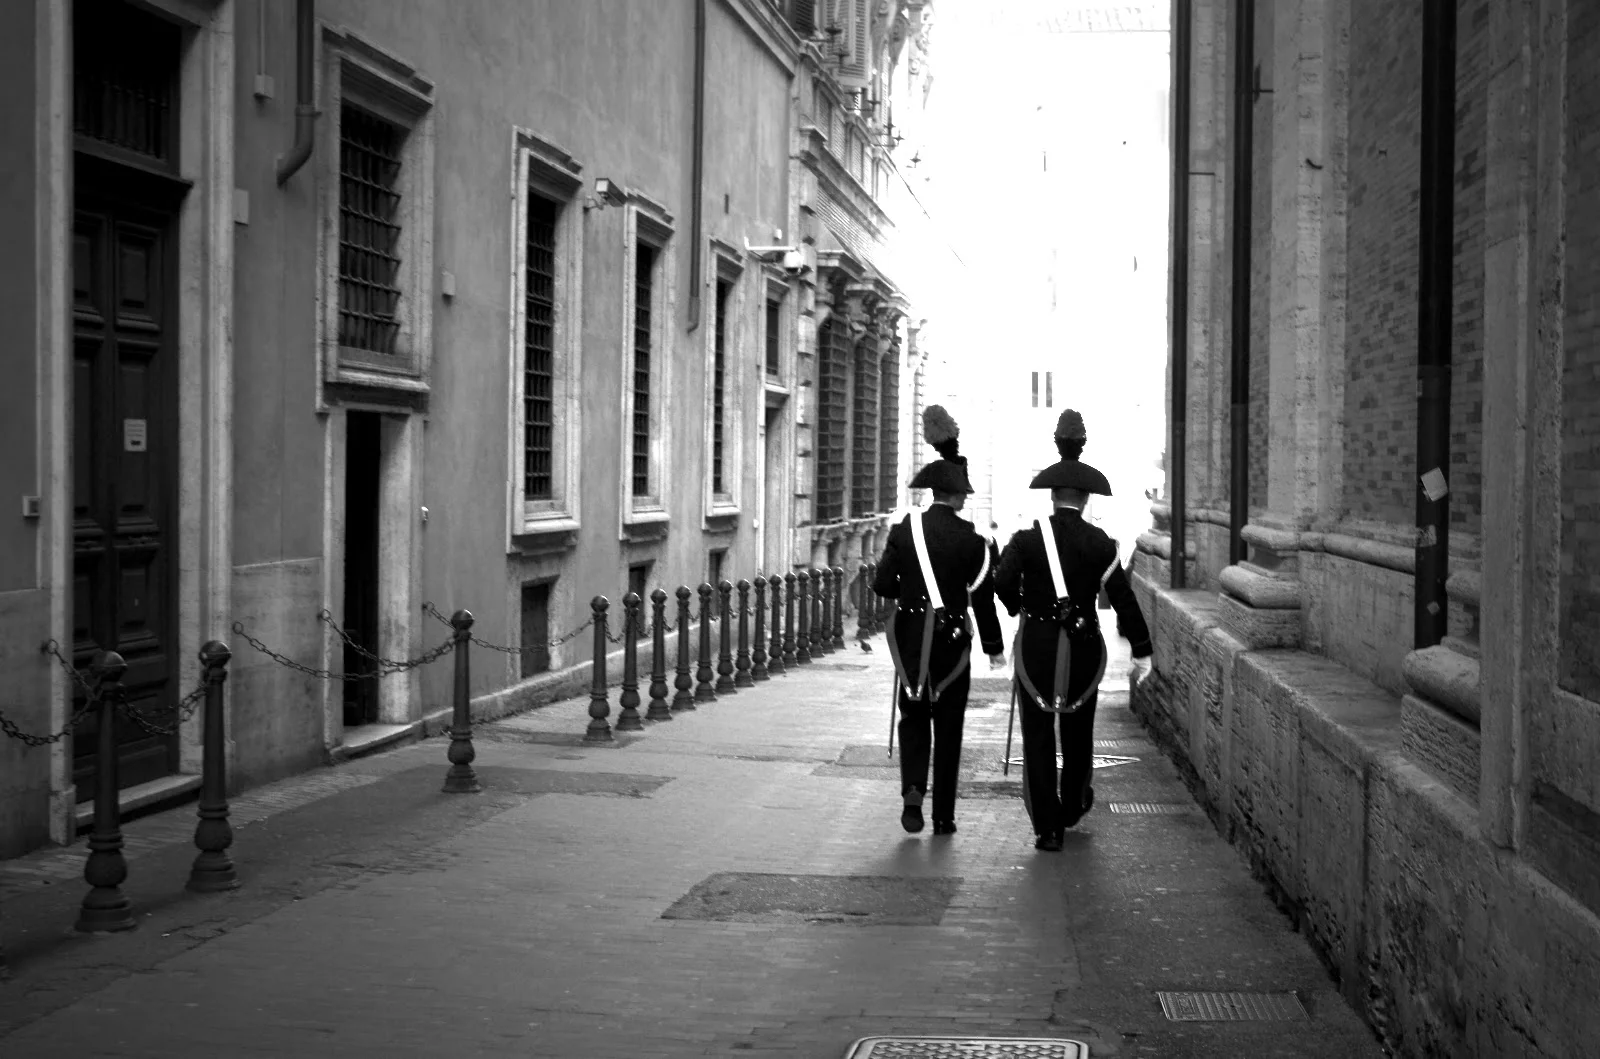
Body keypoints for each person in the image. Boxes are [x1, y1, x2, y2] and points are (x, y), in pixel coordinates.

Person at [995, 409, 1153, 852]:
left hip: (1036, 647)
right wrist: (1142, 648)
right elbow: (1122, 597)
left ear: (1052, 497)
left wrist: (1019, 607)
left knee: (1038, 734)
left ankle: (1048, 828)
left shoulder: (1026, 540)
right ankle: (1074, 801)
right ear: (1085, 500)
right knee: (1078, 730)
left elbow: (1001, 583)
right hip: (1083, 647)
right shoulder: (1101, 543)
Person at [874, 405, 1006, 836]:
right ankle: (944, 816)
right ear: (960, 495)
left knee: (913, 715)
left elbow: (882, 584)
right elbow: (983, 600)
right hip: (952, 642)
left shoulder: (904, 529)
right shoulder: (974, 541)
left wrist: (910, 589)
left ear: (933, 492)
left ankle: (913, 793)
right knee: (949, 725)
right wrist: (994, 649)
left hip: (912, 638)